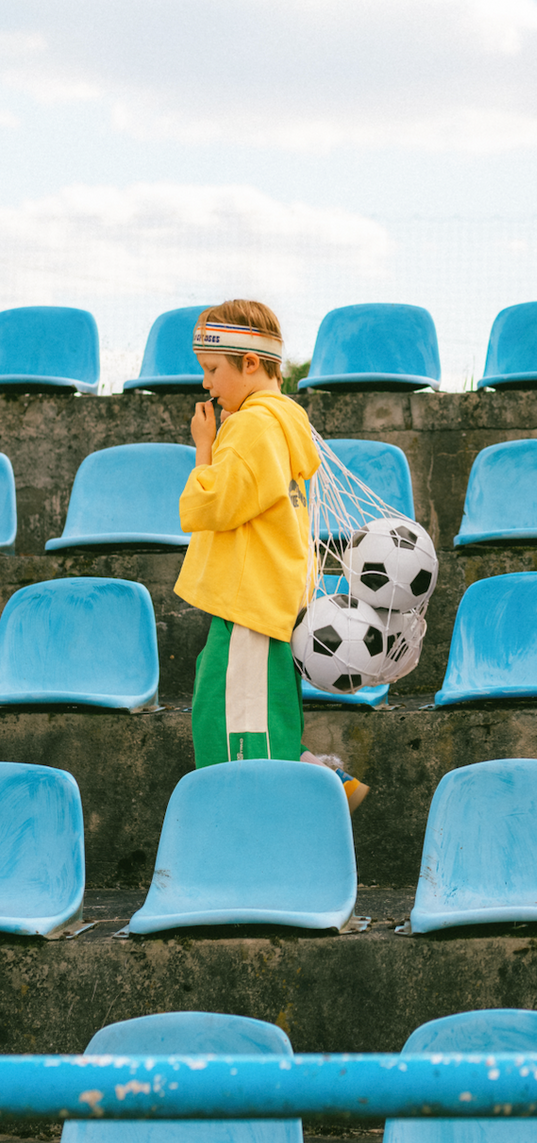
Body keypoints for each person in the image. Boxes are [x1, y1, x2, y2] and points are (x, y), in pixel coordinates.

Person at [176, 298, 368, 810]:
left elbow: (215, 503)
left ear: (252, 364)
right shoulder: (285, 424)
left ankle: (270, 835)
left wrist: (203, 448)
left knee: (237, 738)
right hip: (261, 604)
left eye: (213, 369)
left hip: (249, 608)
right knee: (254, 720)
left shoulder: (253, 426)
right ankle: (326, 782)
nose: (206, 384)